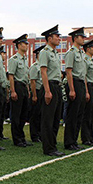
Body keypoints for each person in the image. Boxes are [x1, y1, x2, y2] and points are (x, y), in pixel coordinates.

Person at [39, 25, 64, 156]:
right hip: (50, 86)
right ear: (49, 38)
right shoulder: (45, 52)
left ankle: (53, 145)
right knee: (48, 119)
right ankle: (48, 148)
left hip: (57, 86)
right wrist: (47, 91)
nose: (59, 39)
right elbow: (43, 72)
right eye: (57, 36)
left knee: (55, 118)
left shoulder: (55, 53)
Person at [64, 27, 88, 151]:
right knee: (72, 114)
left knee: (79, 114)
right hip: (74, 83)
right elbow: (68, 71)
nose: (83, 39)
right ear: (75, 38)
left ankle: (74, 140)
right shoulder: (71, 52)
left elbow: (83, 73)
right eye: (81, 37)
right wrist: (72, 89)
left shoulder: (81, 53)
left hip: (81, 84)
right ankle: (68, 142)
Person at [8, 34, 32, 147]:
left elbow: (25, 76)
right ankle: (16, 139)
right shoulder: (14, 59)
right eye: (24, 44)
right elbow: (11, 76)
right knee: (16, 114)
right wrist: (12, 91)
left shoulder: (24, 60)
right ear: (19, 45)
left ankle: (21, 137)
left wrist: (27, 89)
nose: (26, 46)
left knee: (23, 114)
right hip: (17, 86)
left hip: (23, 87)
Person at [82, 39, 93, 146]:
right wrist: (87, 91)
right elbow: (84, 75)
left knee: (92, 114)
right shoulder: (85, 60)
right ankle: (86, 138)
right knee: (87, 114)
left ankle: (91, 137)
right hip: (88, 86)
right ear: (88, 49)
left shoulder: (91, 60)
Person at [29, 45, 45, 143]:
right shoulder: (35, 67)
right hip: (37, 91)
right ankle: (34, 135)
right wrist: (34, 95)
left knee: (42, 115)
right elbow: (33, 82)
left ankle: (40, 134)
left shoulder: (43, 66)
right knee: (35, 114)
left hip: (44, 91)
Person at [0, 46, 9, 140]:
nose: (4, 55)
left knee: (1, 114)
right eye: (3, 53)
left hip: (3, 89)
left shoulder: (3, 66)